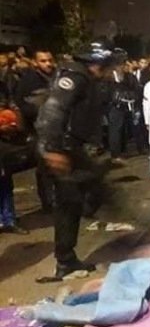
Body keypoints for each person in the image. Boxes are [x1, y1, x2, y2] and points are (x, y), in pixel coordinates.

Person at [35, 42, 116, 279]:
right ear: (98, 64)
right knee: (68, 203)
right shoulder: (74, 77)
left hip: (71, 148)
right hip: (61, 149)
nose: (110, 72)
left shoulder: (84, 77)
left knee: (81, 196)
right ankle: (65, 261)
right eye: (108, 67)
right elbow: (53, 112)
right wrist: (52, 150)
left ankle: (67, 258)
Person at [14, 50, 56, 211]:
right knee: (44, 167)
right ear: (35, 62)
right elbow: (22, 105)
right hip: (37, 130)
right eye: (43, 61)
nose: (48, 64)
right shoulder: (28, 81)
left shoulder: (56, 77)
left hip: (57, 128)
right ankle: (48, 202)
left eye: (49, 60)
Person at [0, 81, 29, 235]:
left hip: (4, 150)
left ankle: (9, 220)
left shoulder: (3, 87)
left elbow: (20, 127)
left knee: (6, 185)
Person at [106, 52, 138, 165]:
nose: (125, 66)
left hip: (126, 105)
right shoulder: (109, 77)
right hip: (114, 107)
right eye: (123, 64)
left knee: (123, 129)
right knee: (115, 130)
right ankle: (115, 154)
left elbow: (135, 87)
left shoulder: (128, 76)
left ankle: (122, 150)